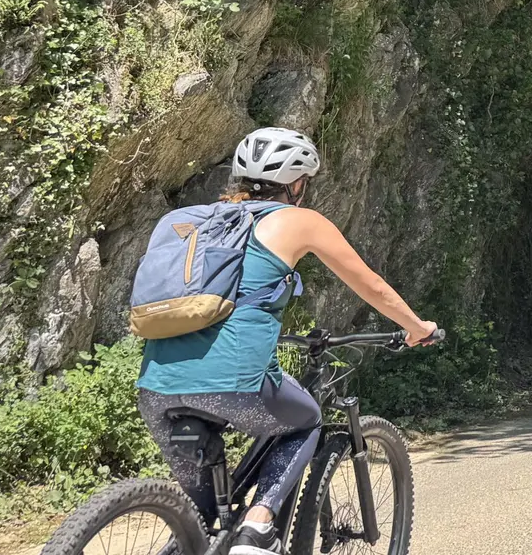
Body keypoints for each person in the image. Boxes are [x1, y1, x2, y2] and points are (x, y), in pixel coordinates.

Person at [136, 127, 439, 555]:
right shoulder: (298, 220)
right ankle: (257, 530)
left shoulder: (185, 222)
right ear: (297, 183)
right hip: (235, 383)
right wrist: (416, 326)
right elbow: (371, 285)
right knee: (307, 421)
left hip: (155, 389)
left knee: (200, 528)